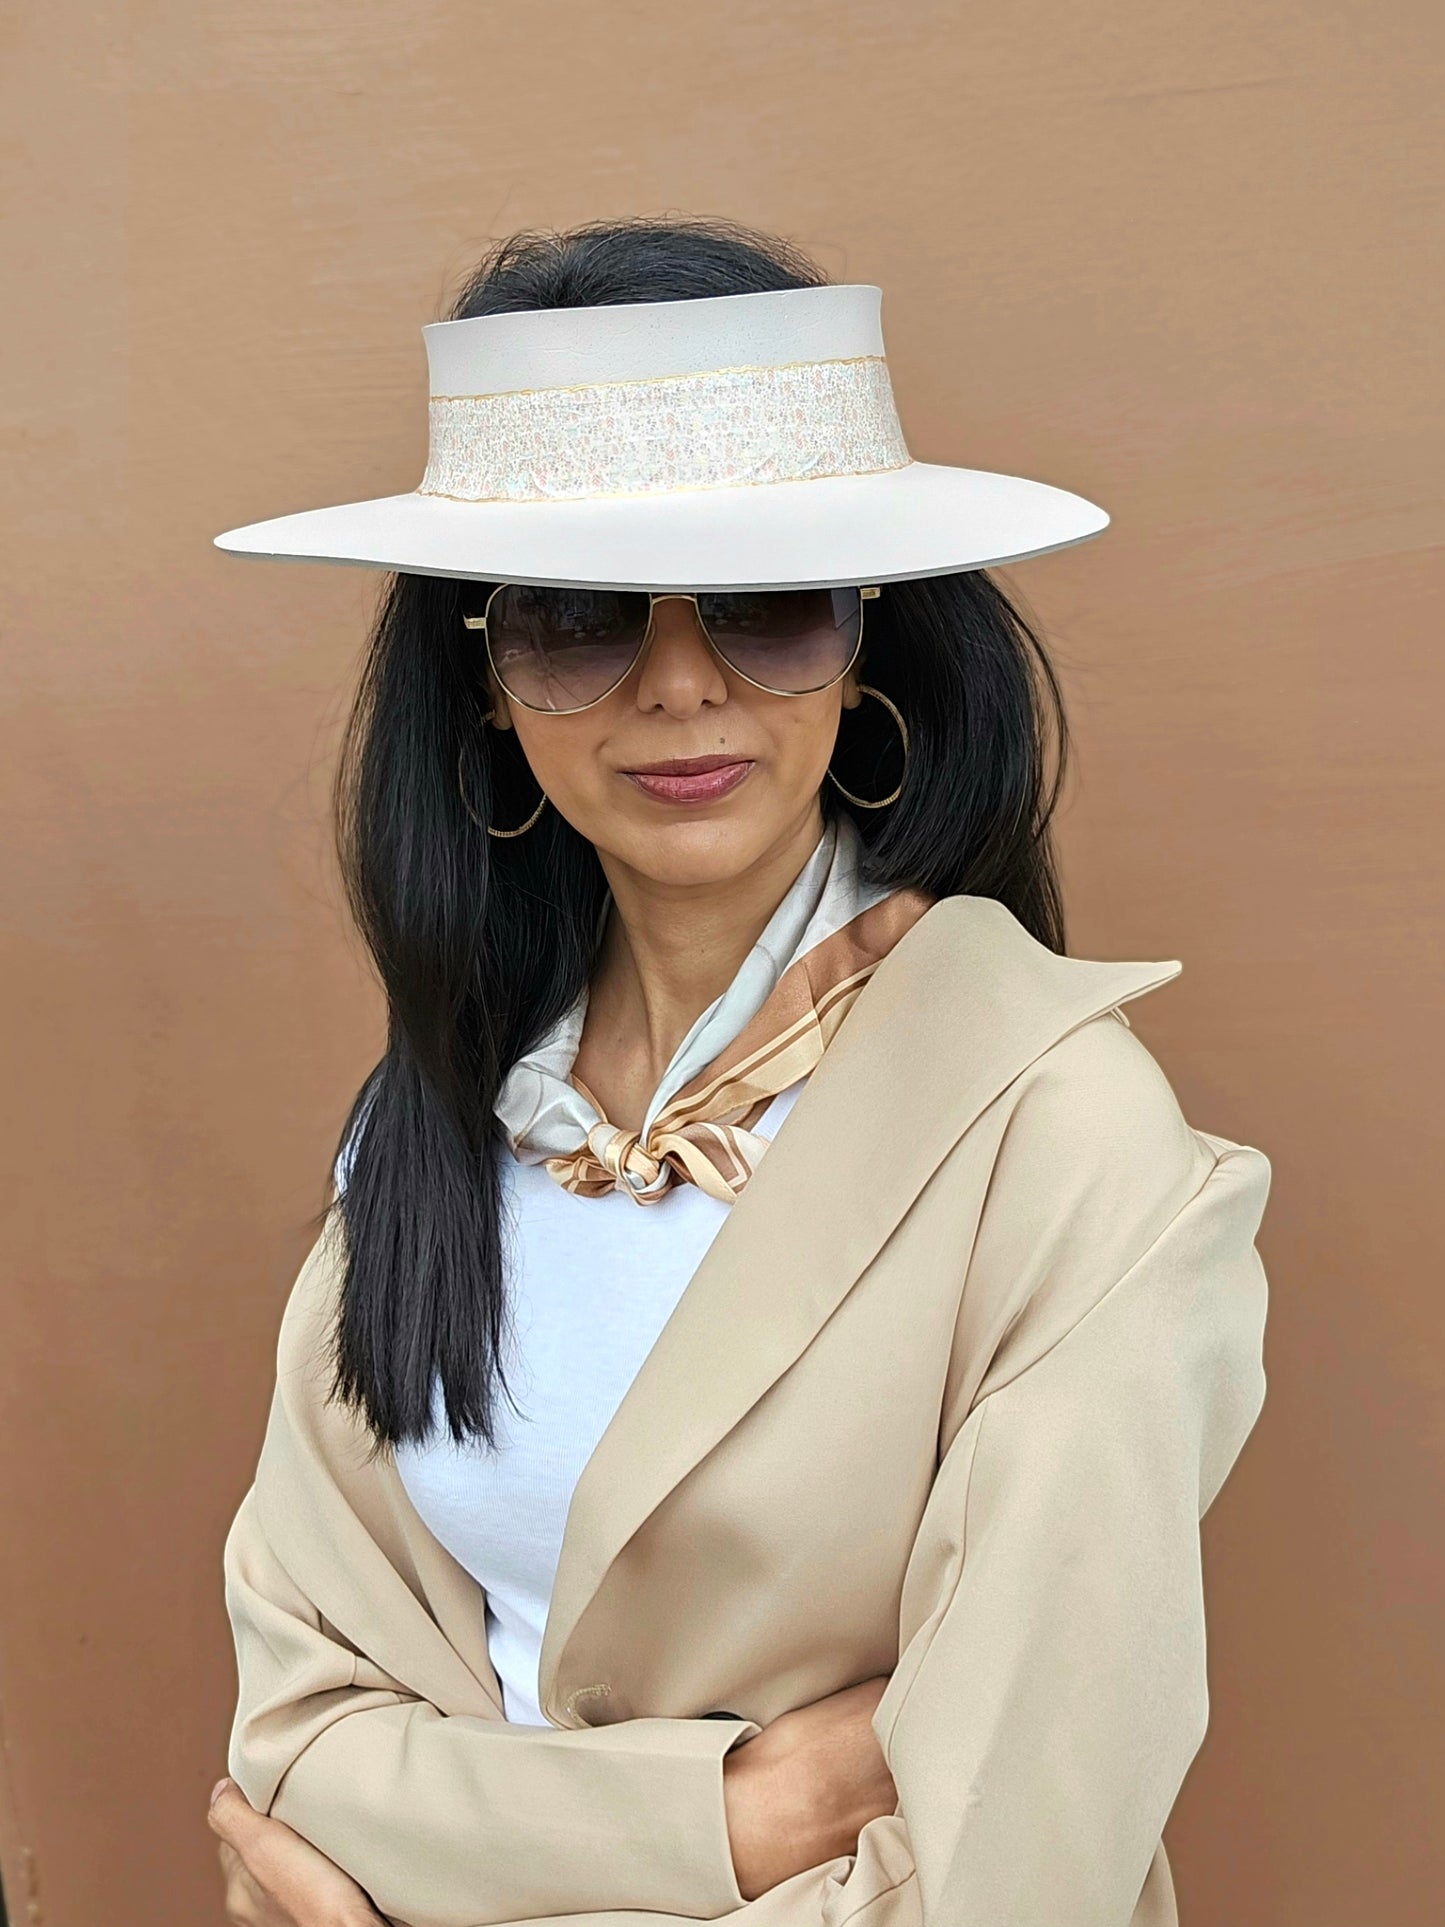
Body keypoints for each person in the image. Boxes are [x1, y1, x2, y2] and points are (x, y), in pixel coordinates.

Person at [206, 216, 1271, 1927]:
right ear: (479, 677)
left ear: (867, 648)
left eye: (769, 608)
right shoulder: (426, 1136)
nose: (682, 684)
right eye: (576, 619)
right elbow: (300, 1743)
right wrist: (740, 1815)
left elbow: (1015, 1869)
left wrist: (445, 1867)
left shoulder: (1062, 1138)